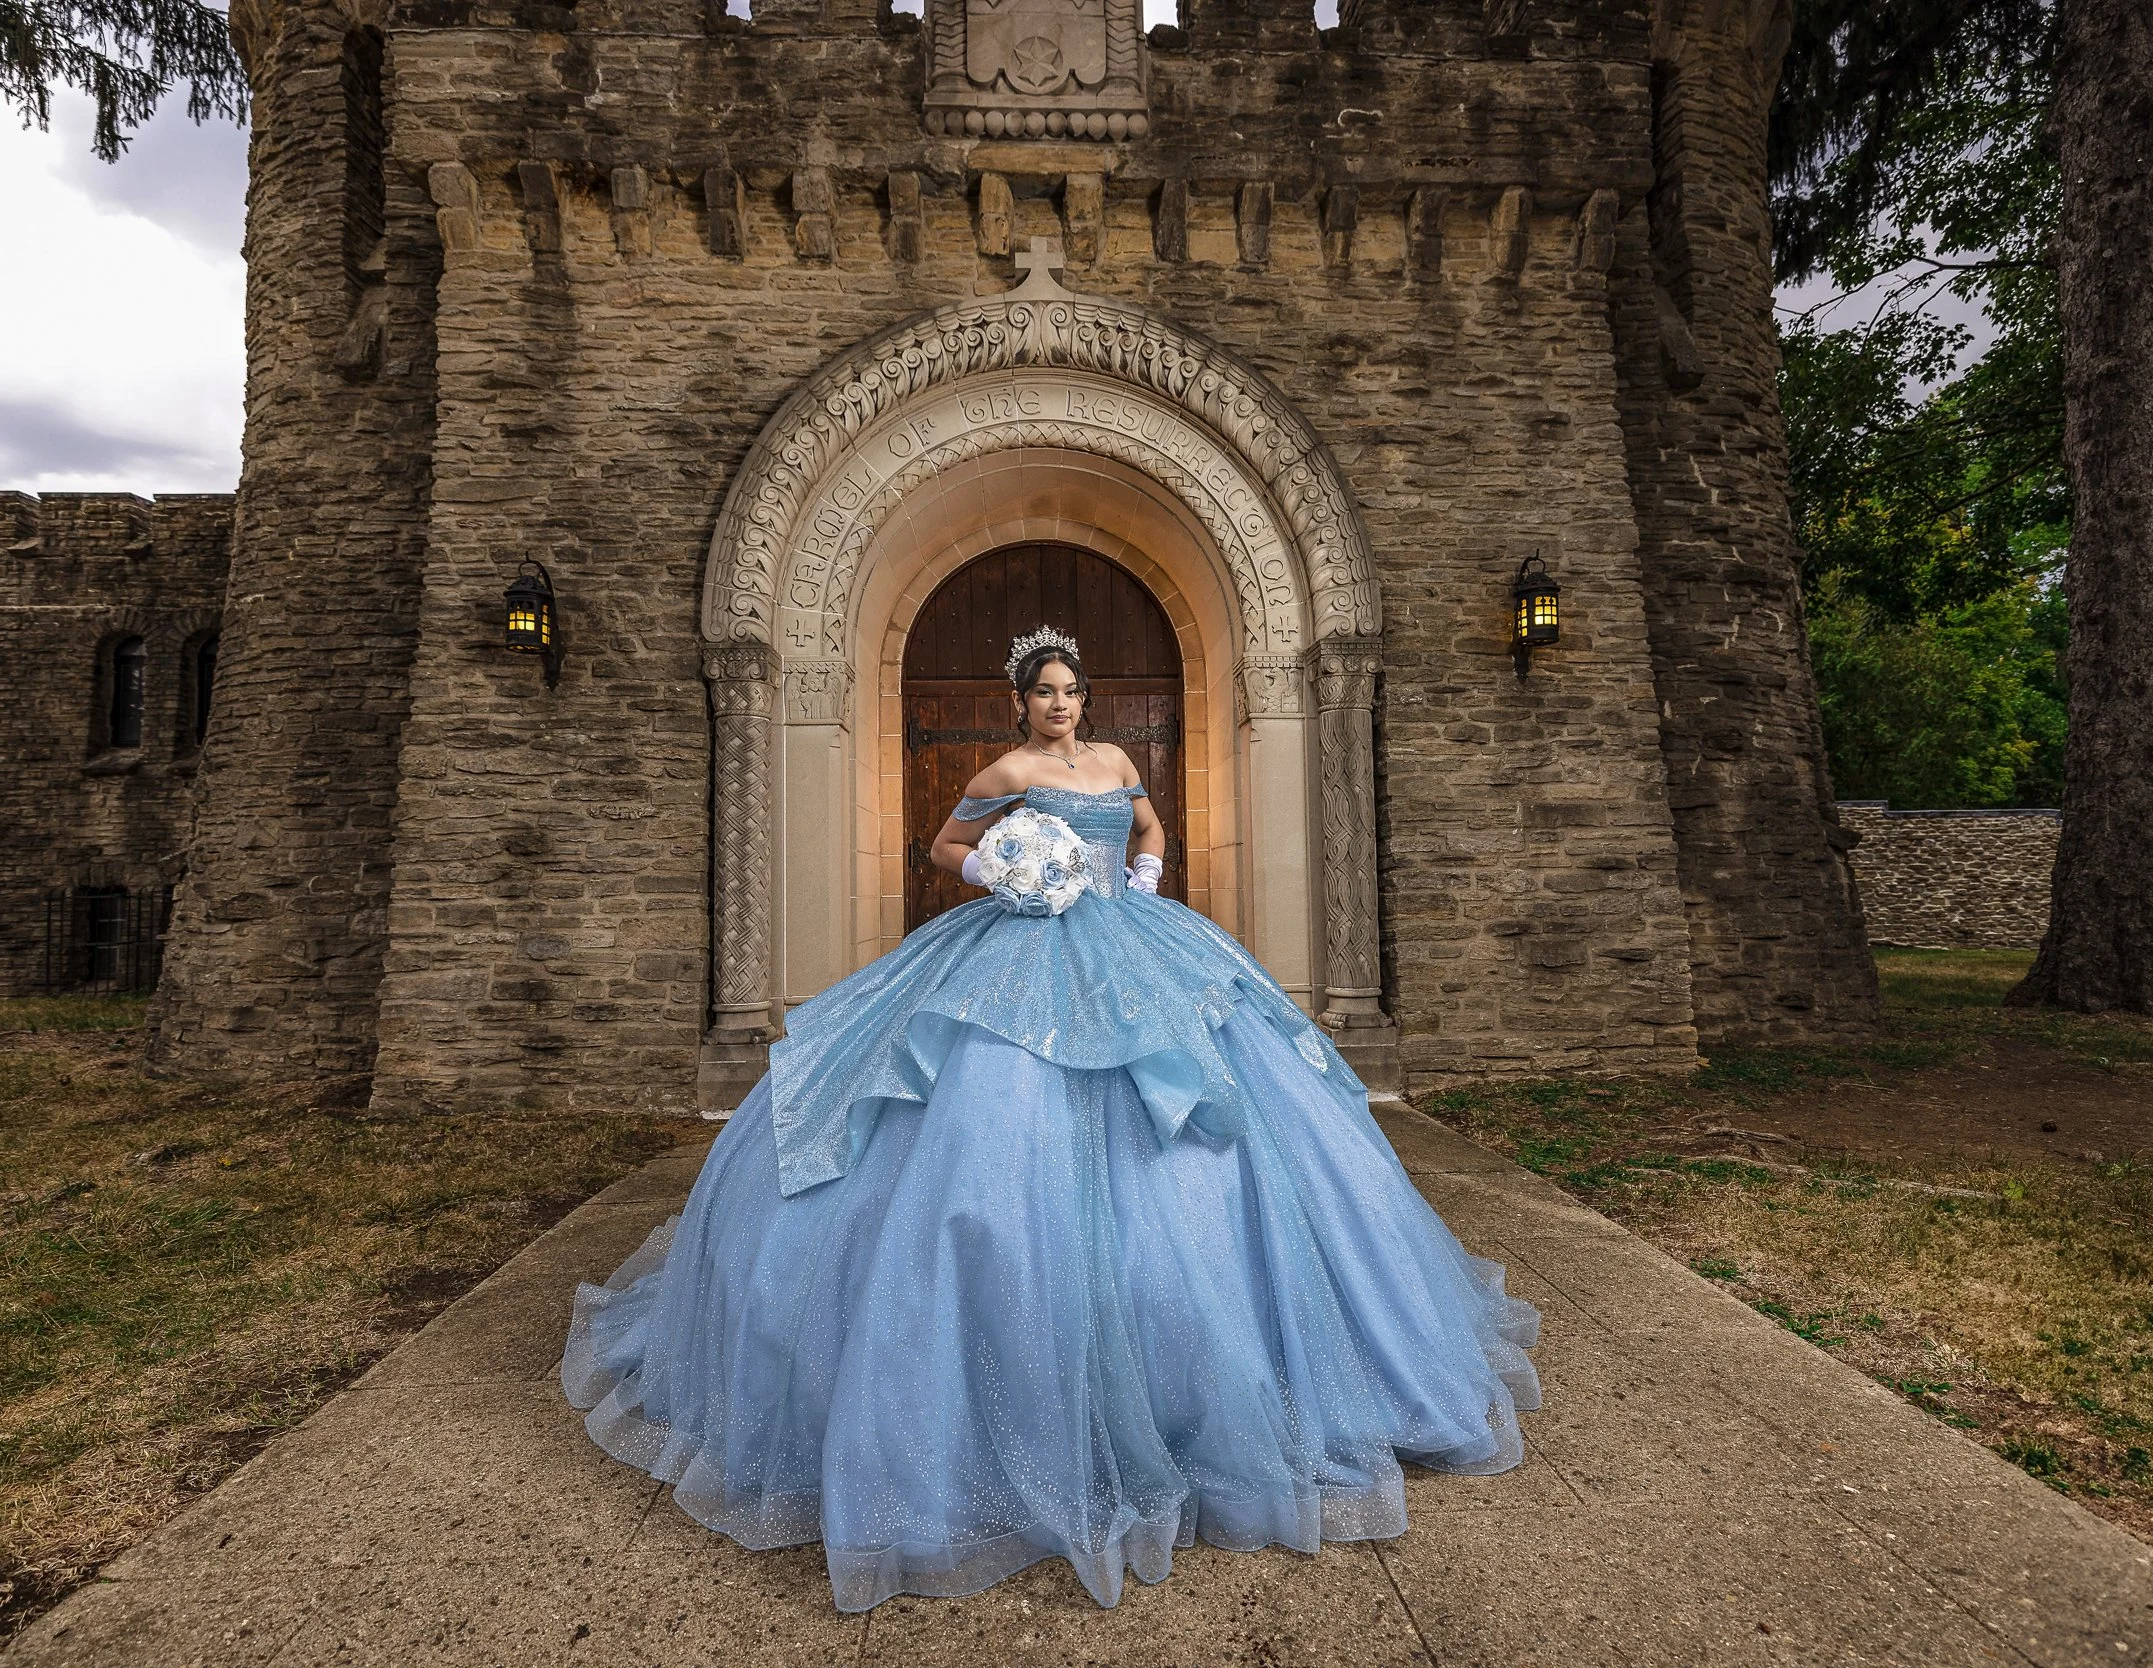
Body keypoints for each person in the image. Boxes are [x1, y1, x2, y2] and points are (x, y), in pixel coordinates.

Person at [563, 625, 1541, 1613]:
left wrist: (1142, 878)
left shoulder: (1116, 761)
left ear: (1085, 699)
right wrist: (1006, 875)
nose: (1059, 705)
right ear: (1021, 703)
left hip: (1133, 935)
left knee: (1207, 1097)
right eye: (1044, 693)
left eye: (1071, 691)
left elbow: (1149, 828)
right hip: (1024, 942)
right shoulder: (1008, 770)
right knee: (991, 1096)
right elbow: (945, 846)